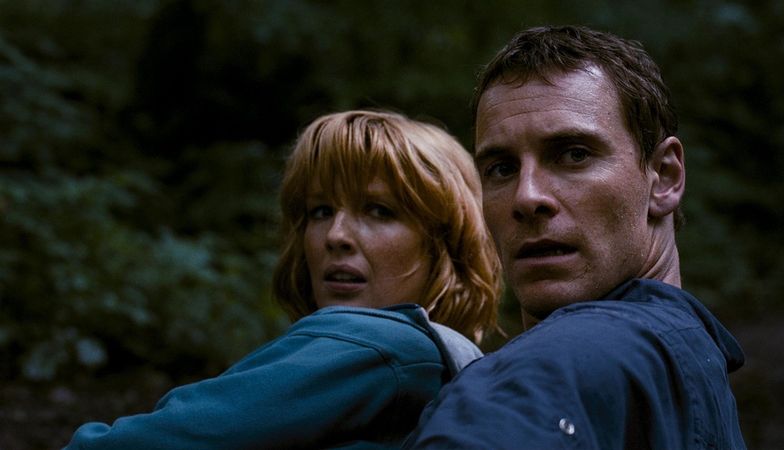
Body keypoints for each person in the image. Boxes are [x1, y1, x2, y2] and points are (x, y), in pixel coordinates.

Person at [64, 110, 501, 450]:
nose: (335, 236)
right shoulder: (455, 369)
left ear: (444, 243)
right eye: (320, 211)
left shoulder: (385, 344)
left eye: (379, 211)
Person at [404, 25, 746, 449]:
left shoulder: (572, 361)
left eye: (574, 154)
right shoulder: (687, 354)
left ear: (664, 177)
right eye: (501, 168)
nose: (527, 197)